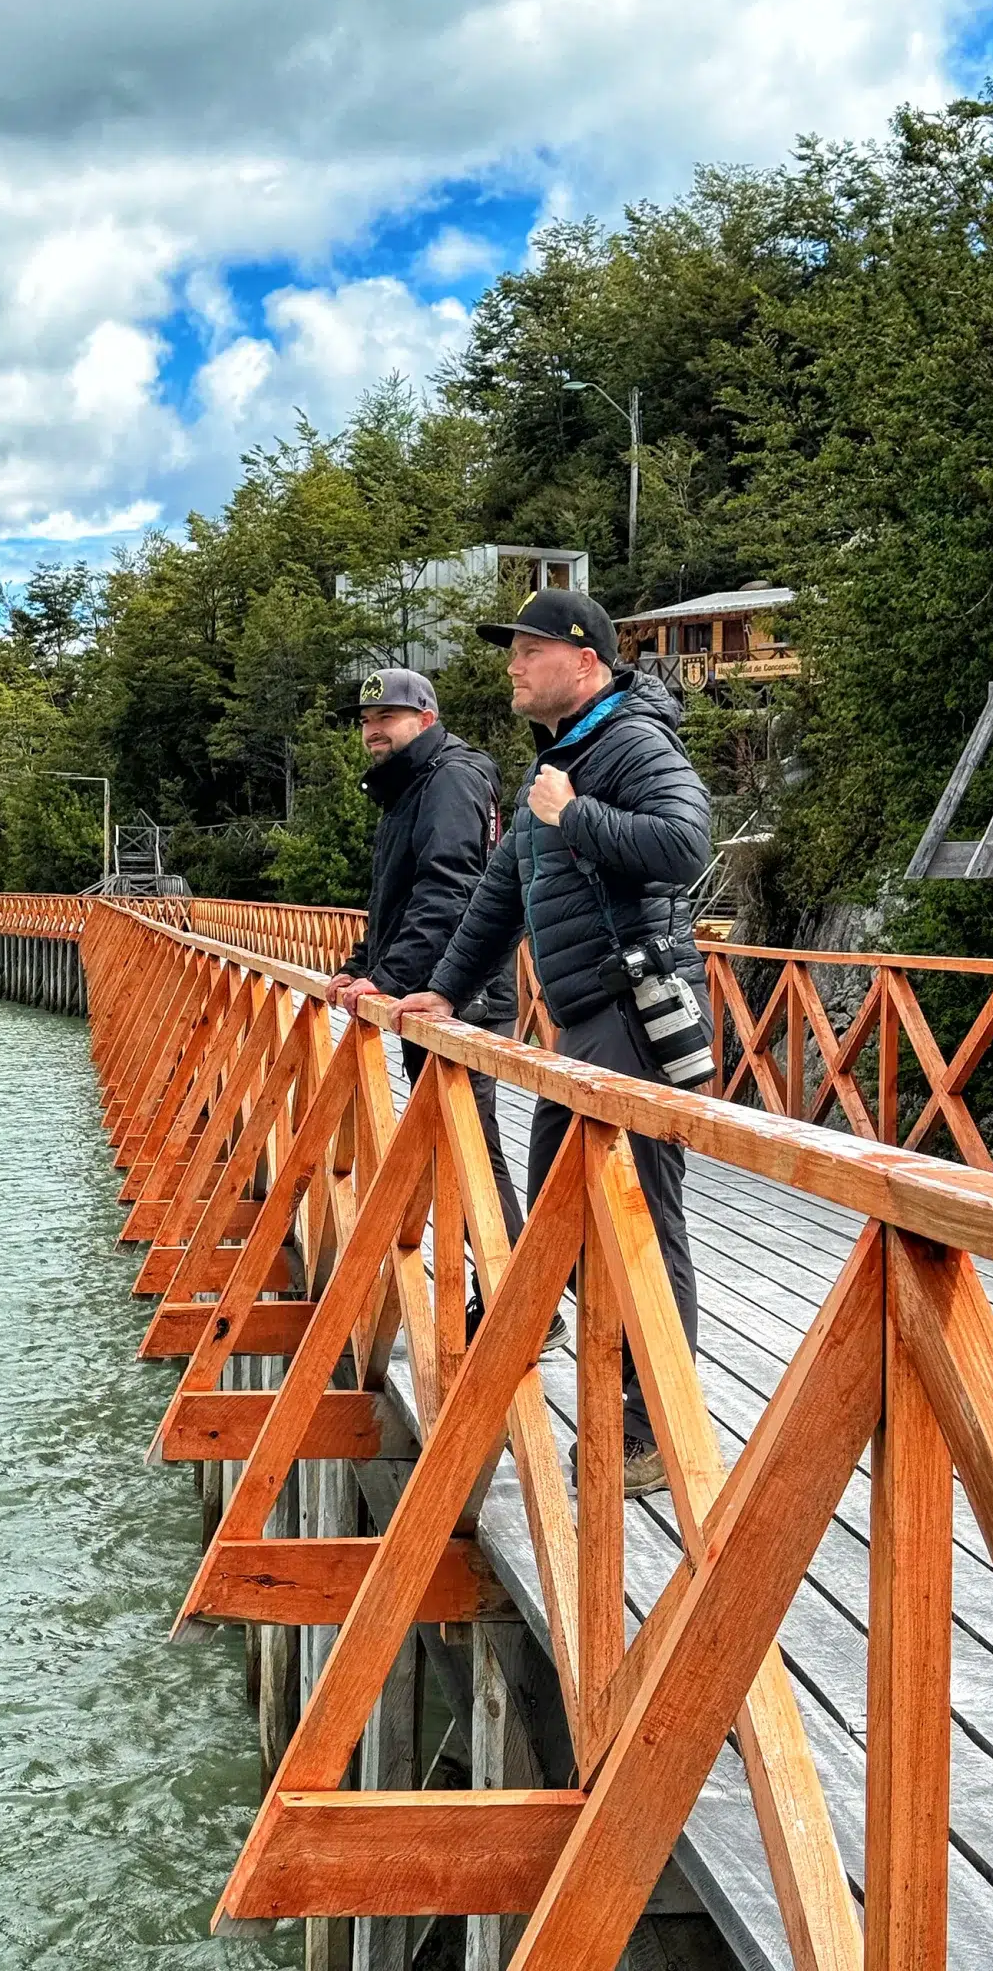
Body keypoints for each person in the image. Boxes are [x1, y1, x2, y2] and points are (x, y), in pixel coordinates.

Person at [392, 592, 712, 1497]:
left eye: (528, 651)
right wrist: (444, 990)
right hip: (583, 1024)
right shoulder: (562, 759)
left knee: (639, 1222)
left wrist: (576, 816)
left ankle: (650, 1434)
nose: (512, 667)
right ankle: (610, 1402)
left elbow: (687, 844)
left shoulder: (630, 742)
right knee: (560, 1224)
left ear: (585, 660)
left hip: (635, 1013)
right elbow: (501, 894)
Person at [324, 666, 540, 1340]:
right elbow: (397, 896)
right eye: (365, 721)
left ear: (425, 718)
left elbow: (449, 894)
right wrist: (362, 966)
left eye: (386, 717)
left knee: (470, 1151)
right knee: (462, 1150)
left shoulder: (446, 779)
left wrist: (388, 979)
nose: (372, 730)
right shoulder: (410, 787)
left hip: (459, 999)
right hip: (434, 993)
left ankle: (518, 1308)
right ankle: (511, 1298)